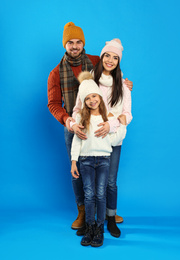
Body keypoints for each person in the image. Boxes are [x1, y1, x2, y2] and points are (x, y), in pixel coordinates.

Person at [47, 21, 133, 230]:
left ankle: (105, 212)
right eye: (70, 43)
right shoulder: (56, 73)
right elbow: (54, 104)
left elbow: (112, 72)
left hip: (103, 125)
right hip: (75, 127)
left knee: (105, 172)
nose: (75, 46)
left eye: (78, 42)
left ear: (83, 43)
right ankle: (83, 211)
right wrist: (69, 121)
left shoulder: (95, 60)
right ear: (64, 45)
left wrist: (125, 83)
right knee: (78, 171)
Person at [71, 39, 132, 237]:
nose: (110, 60)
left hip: (113, 138)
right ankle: (91, 221)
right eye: (107, 55)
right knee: (91, 186)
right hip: (91, 141)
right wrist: (75, 125)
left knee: (110, 182)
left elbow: (127, 115)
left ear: (118, 62)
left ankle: (111, 218)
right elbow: (78, 109)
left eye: (115, 58)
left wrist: (110, 124)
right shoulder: (91, 83)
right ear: (101, 57)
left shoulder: (122, 85)